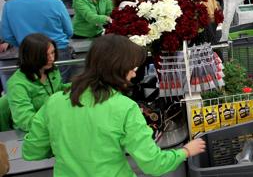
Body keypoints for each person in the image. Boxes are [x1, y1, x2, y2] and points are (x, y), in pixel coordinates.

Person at [22, 34, 206, 176]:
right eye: (133, 68)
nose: (134, 74)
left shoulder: (55, 101)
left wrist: (66, 147)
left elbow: (32, 151)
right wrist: (185, 151)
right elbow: (152, 163)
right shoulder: (124, 108)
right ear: (117, 67)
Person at [1, 0, 73, 84]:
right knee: (61, 89)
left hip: (28, 54)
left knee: (34, 89)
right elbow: (69, 31)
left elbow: (7, 35)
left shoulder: (9, 6)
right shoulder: (55, 3)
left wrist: (25, 45)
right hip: (57, 51)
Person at [6, 34, 67, 132]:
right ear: (31, 57)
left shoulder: (52, 70)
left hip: (55, 124)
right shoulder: (17, 85)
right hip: (32, 133)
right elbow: (25, 121)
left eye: (53, 53)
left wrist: (78, 85)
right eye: (46, 55)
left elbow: (58, 90)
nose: (51, 58)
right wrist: (58, 123)